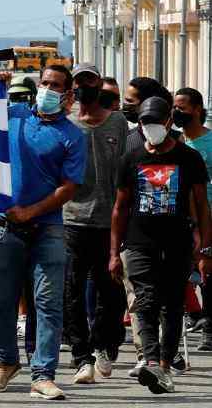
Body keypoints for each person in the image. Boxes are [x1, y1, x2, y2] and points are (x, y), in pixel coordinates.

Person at [0, 64, 86, 400]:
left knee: (48, 303)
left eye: (55, 85)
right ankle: (5, 362)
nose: (47, 89)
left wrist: (31, 211)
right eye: (44, 82)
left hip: (48, 229)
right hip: (5, 226)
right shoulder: (14, 115)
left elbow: (68, 188)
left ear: (67, 94)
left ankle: (43, 374)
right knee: (2, 301)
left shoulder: (72, 136)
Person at [109, 96, 212, 394]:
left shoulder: (188, 159)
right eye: (146, 123)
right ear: (140, 125)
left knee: (172, 306)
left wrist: (205, 249)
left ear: (169, 121)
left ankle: (165, 365)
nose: (152, 127)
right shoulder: (130, 159)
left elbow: (202, 207)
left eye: (157, 122)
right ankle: (151, 360)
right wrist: (114, 252)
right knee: (146, 300)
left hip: (178, 243)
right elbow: (119, 208)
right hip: (139, 243)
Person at [62, 64, 128, 384]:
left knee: (111, 293)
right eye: (79, 81)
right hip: (73, 219)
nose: (84, 86)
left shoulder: (118, 122)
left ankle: (104, 343)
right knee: (73, 291)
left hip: (110, 221)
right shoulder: (67, 123)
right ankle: (81, 355)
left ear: (99, 83)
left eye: (89, 80)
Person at [173, 88, 212, 352]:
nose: (177, 112)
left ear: (197, 109)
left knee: (207, 270)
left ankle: (209, 326)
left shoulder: (209, 142)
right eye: (174, 107)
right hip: (178, 216)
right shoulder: (173, 142)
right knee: (179, 271)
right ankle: (190, 315)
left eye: (182, 107)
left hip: (208, 214)